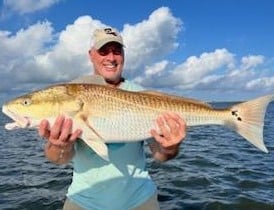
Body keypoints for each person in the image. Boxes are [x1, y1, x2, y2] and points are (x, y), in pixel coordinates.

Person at [39, 27, 186, 210]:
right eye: (103, 51)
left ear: (123, 55)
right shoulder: (71, 93)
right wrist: (59, 145)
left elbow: (160, 155)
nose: (111, 57)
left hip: (140, 201)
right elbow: (59, 159)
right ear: (91, 55)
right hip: (83, 202)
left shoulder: (142, 95)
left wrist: (170, 146)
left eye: (117, 51)